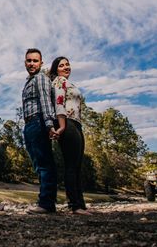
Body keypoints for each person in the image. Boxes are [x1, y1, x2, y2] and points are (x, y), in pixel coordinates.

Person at [49, 56, 90, 215]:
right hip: (67, 123)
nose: (66, 67)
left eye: (68, 64)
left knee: (77, 166)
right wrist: (62, 126)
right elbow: (59, 102)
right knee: (72, 165)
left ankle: (80, 204)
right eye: (62, 65)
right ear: (56, 69)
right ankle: (75, 205)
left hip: (76, 124)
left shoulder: (69, 83)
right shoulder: (59, 81)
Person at [21, 48, 58, 214]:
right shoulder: (29, 81)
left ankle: (46, 203)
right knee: (38, 164)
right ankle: (45, 201)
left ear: (41, 63)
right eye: (29, 60)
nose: (31, 63)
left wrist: (50, 125)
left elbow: (45, 102)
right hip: (29, 124)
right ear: (25, 62)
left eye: (35, 61)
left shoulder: (41, 78)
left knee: (44, 164)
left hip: (39, 122)